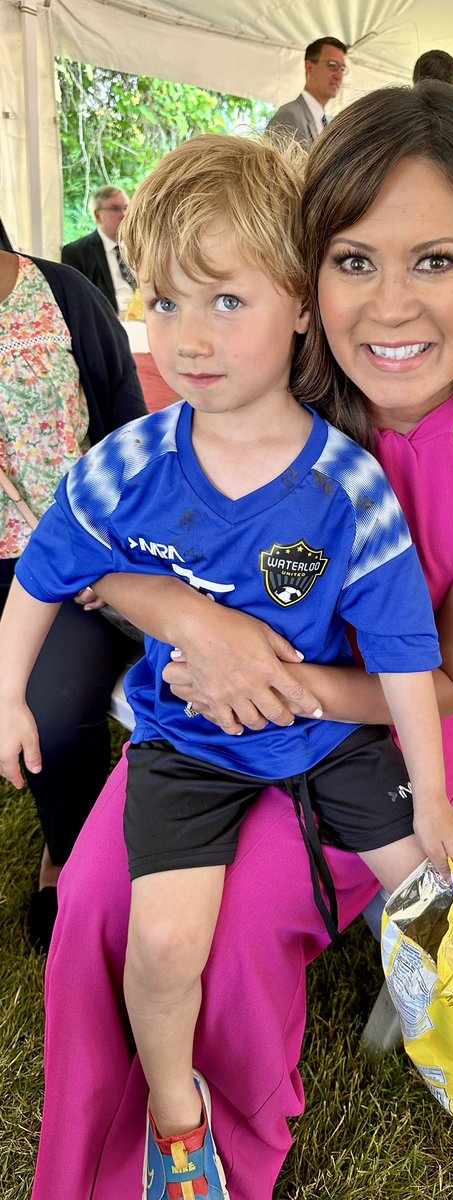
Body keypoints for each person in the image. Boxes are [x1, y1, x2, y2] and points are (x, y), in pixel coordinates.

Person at [31, 82, 453, 1200]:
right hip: (205, 717)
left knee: (240, 928)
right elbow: (100, 555)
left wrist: (280, 681)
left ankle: (241, 1141)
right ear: (304, 283)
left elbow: (442, 682)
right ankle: (119, 1144)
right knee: (101, 907)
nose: (390, 307)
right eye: (353, 260)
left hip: (387, 736)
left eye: (435, 260)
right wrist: (192, 618)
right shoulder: (261, 384)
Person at [0, 246, 146, 950]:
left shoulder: (61, 295)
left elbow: (131, 434)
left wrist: (115, 550)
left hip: (77, 568)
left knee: (51, 711)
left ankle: (68, 854)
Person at [62, 185, 136, 315]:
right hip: (109, 322)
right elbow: (78, 302)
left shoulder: (140, 246)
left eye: (126, 208)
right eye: (115, 209)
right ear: (97, 215)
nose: (123, 215)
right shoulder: (77, 253)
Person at [266, 37, 348, 148]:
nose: (339, 76)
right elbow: (273, 165)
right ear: (309, 67)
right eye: (332, 65)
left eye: (342, 69)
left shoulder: (323, 122)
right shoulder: (289, 115)